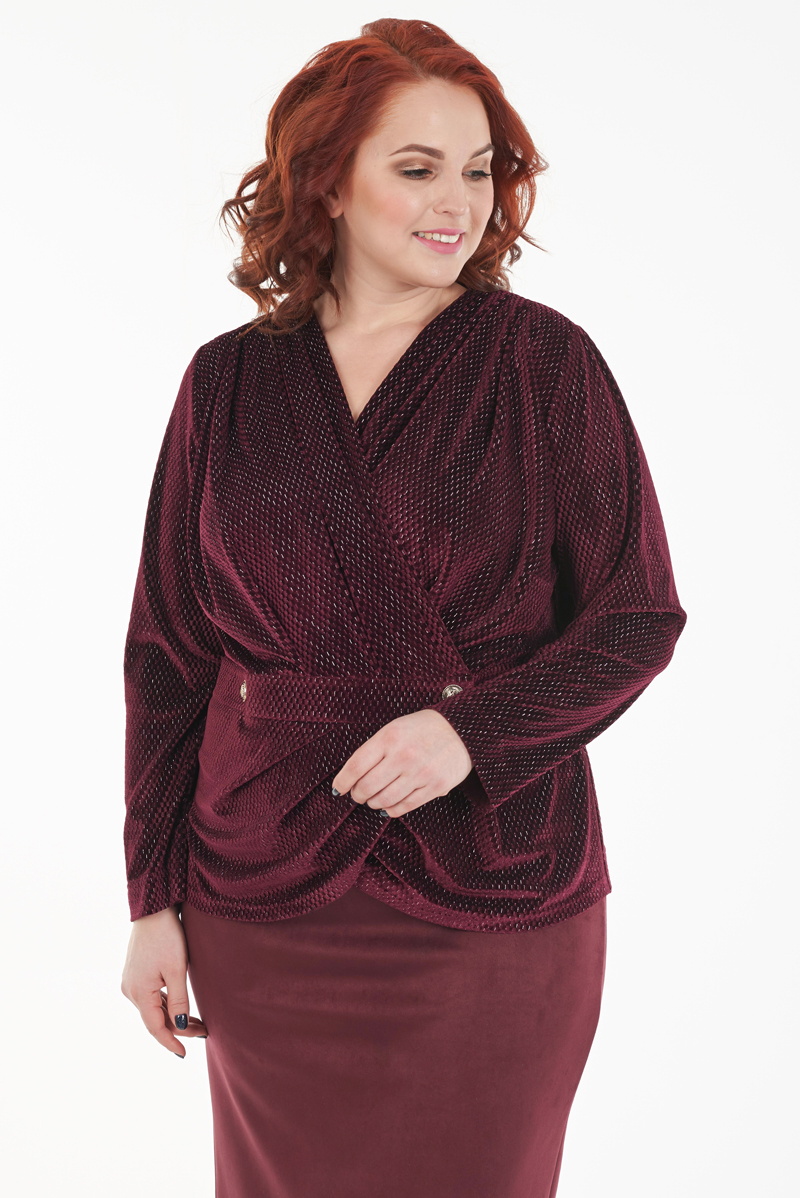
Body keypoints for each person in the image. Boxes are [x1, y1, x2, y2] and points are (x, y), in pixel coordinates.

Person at [120, 17, 687, 1198]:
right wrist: (151, 898)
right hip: (259, 897)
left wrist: (468, 734)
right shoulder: (226, 381)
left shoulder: (541, 363)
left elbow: (635, 616)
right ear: (326, 182)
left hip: (491, 895)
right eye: (417, 168)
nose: (458, 204)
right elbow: (169, 654)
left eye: (477, 171)